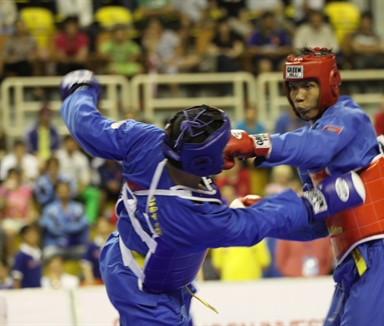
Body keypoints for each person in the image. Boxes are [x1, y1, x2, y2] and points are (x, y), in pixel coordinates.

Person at [58, 69, 367, 325]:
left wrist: (79, 90)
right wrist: (318, 202)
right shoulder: (195, 217)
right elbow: (259, 222)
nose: (231, 144)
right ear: (203, 163)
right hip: (143, 286)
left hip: (152, 259)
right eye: (223, 144)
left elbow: (88, 126)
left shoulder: (147, 139)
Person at [224, 46, 384, 326]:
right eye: (293, 88)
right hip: (352, 264)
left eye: (308, 86)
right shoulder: (309, 154)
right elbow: (317, 222)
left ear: (330, 84)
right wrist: (261, 215)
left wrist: (254, 143)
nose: (299, 95)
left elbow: (316, 147)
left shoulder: (348, 116)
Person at [12, 224, 42, 289]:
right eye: (30, 234)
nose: (34, 236)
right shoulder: (21, 256)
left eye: (35, 234)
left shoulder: (38, 253)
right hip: (25, 292)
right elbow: (16, 276)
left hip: (38, 292)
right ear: (23, 236)